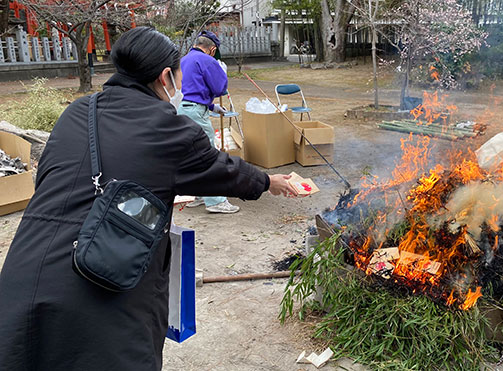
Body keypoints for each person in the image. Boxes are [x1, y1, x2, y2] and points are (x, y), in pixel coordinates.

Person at [0, 27, 297, 370]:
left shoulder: (77, 112)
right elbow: (225, 171)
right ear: (165, 77)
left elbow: (50, 179)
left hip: (25, 275)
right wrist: (268, 181)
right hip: (101, 291)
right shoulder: (168, 129)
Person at [177, 30, 238, 214]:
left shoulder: (184, 59)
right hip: (196, 111)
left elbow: (192, 89)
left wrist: (212, 107)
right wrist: (221, 71)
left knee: (191, 155)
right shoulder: (208, 60)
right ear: (212, 49)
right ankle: (216, 200)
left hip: (184, 109)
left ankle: (197, 194)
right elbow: (220, 88)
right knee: (208, 154)